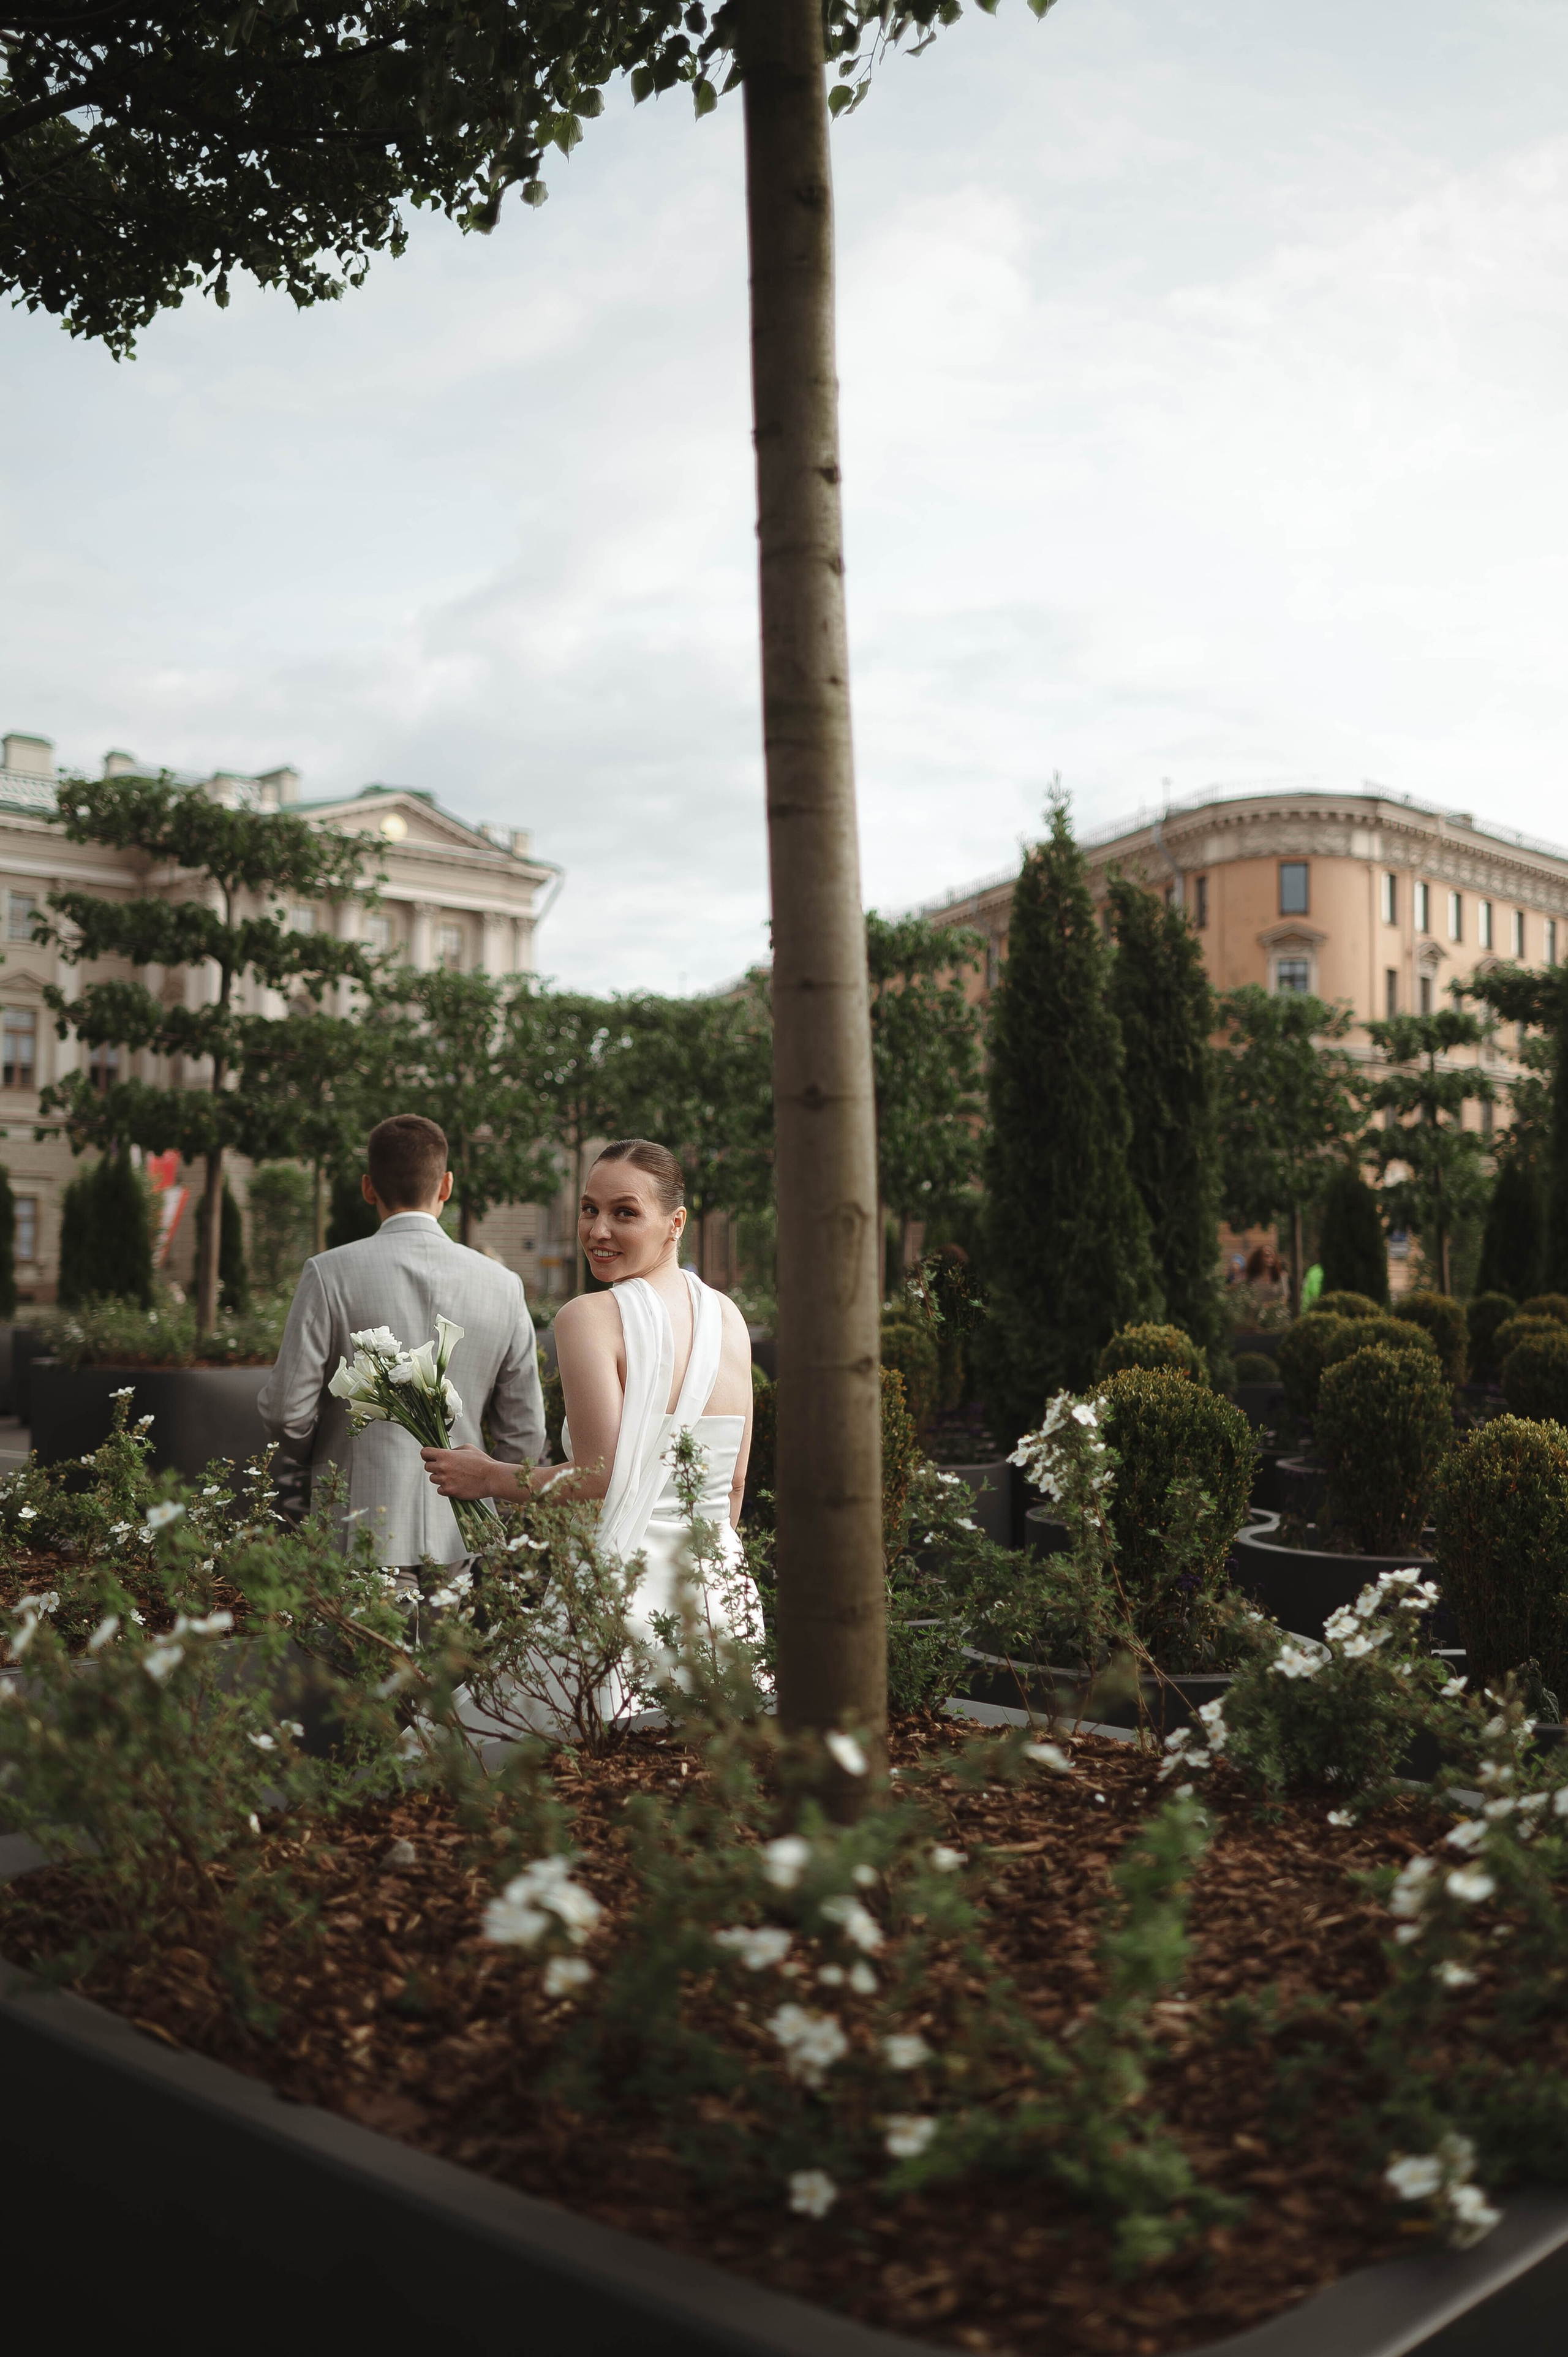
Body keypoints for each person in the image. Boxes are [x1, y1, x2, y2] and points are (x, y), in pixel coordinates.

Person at [420, 1137, 757, 1658]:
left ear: (677, 1223)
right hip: (721, 1605)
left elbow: (599, 1475)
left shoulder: (590, 1317)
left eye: (624, 1212)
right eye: (589, 1209)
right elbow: (734, 1483)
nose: (598, 1231)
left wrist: (485, 1476)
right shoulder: (728, 1318)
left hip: (623, 1598)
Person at [258, 1113, 546, 1565]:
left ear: (368, 1187)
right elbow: (526, 1434)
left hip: (360, 1519)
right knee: (450, 1640)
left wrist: (325, 1454)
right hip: (461, 1528)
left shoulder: (329, 1273)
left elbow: (284, 1410)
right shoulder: (504, 1285)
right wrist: (494, 1494)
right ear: (447, 1185)